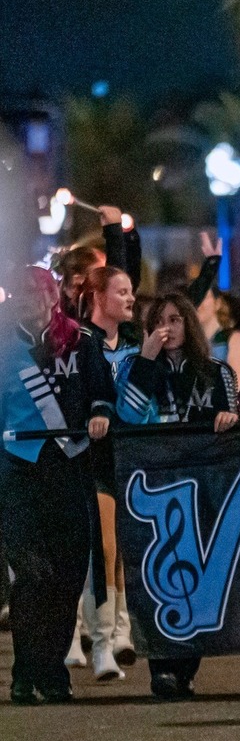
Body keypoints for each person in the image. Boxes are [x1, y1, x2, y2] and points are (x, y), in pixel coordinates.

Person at [0, 266, 116, 704]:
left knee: (67, 577)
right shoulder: (3, 345)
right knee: (32, 576)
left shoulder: (82, 342)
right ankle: (25, 672)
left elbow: (102, 392)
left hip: (70, 468)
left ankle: (52, 673)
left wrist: (99, 412)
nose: (28, 301)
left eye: (37, 292)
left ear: (53, 297)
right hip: (19, 470)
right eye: (21, 294)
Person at [117, 291, 239, 699]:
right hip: (155, 484)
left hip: (204, 483)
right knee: (160, 572)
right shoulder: (136, 366)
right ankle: (163, 668)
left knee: (197, 575)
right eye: (159, 321)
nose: (167, 327)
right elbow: (129, 415)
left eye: (175, 319)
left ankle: (186, 668)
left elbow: (234, 419)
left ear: (189, 323)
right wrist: (147, 360)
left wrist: (230, 418)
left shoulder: (216, 371)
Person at [72, 266, 141, 680]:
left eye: (132, 291)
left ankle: (121, 631)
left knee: (122, 548)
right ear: (98, 296)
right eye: (122, 291)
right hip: (92, 457)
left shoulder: (134, 342)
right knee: (103, 547)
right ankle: (99, 638)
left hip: (130, 457)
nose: (131, 298)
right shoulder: (80, 340)